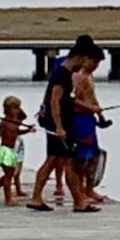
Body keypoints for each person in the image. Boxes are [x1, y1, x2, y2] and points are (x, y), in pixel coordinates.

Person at [27, 36, 102, 213]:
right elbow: (54, 101)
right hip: (58, 124)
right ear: (81, 56)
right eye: (86, 58)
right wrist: (59, 127)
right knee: (64, 162)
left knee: (56, 160)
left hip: (61, 122)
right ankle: (75, 202)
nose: (86, 63)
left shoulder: (65, 72)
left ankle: (42, 198)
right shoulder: (62, 74)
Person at [71, 57, 108, 206]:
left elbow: (92, 98)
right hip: (80, 119)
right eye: (94, 62)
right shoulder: (78, 77)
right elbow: (73, 99)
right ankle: (80, 190)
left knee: (94, 156)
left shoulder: (90, 77)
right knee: (82, 158)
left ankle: (89, 189)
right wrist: (90, 108)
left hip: (90, 119)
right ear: (86, 60)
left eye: (98, 63)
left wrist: (100, 115)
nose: (95, 66)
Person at [0, 97, 33, 205]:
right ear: (8, 109)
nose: (18, 110)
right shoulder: (4, 122)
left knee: (9, 174)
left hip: (12, 151)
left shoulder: (16, 121)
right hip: (4, 150)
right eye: (15, 108)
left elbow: (17, 132)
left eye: (18, 108)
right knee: (8, 176)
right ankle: (8, 199)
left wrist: (28, 130)